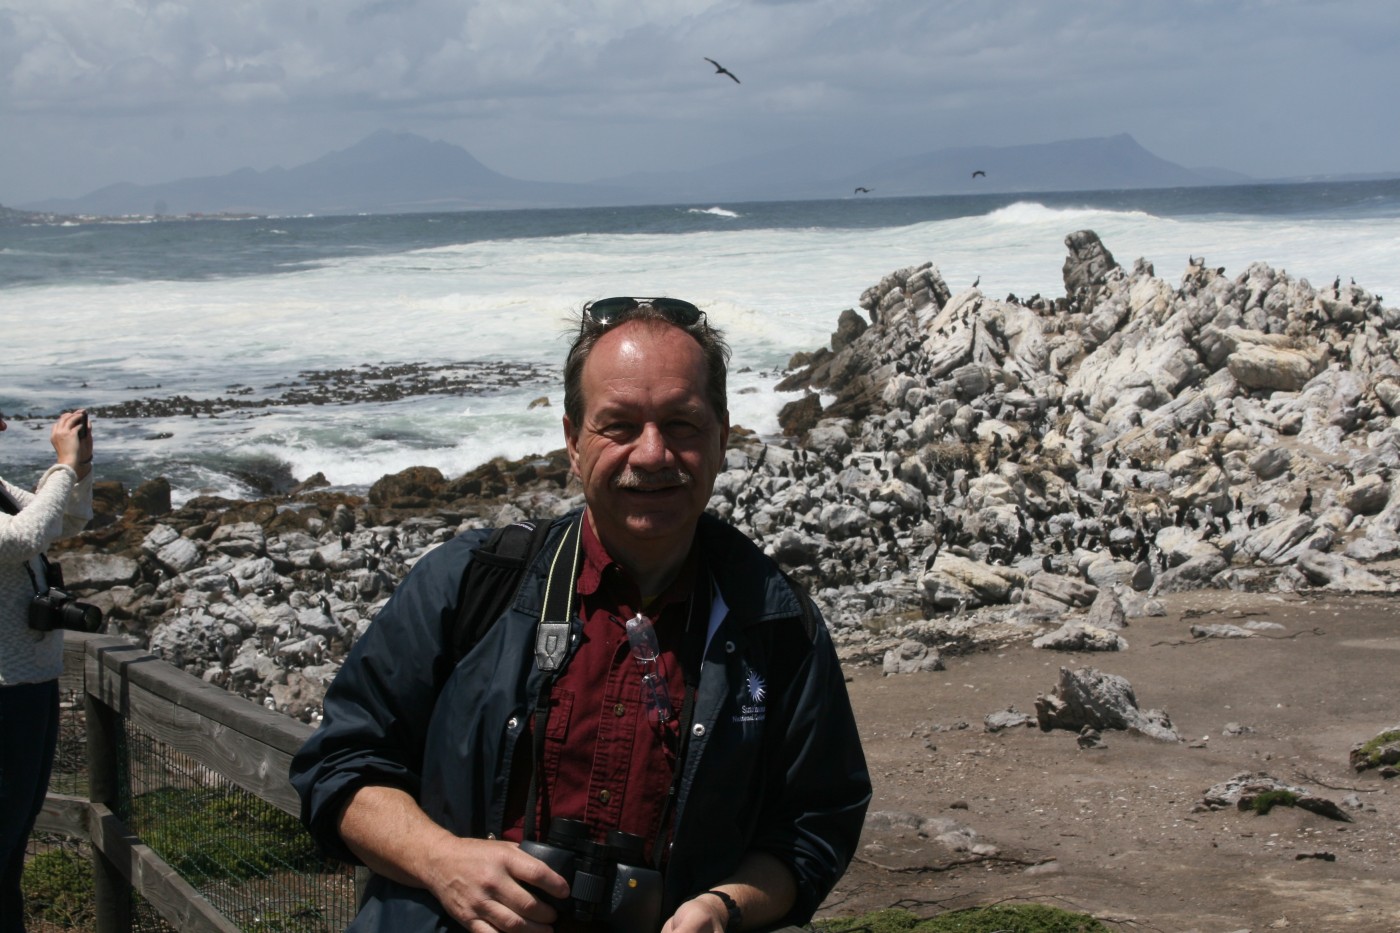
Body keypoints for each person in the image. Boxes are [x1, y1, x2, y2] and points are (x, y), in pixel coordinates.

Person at [291, 298, 870, 932]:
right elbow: (338, 767)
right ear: (572, 441)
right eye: (619, 425)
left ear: (722, 437)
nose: (652, 454)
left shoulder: (775, 624)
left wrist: (724, 907)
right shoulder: (470, 584)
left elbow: (815, 828)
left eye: (681, 423)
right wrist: (443, 861)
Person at [0, 409, 94, 933]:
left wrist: (80, 468)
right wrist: (61, 465)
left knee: (13, 845)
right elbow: (18, 541)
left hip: (29, 688)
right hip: (5, 695)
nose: (3, 427)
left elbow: (65, 521)